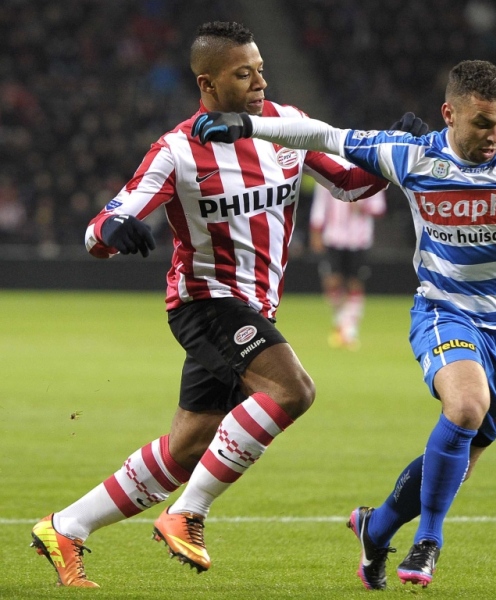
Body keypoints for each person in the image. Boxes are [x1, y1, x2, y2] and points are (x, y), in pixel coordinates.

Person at [192, 59, 496, 589]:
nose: (495, 135)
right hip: (445, 312)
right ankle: (429, 541)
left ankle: (377, 527)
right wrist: (247, 125)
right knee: (465, 407)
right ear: (449, 114)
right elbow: (324, 136)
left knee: (462, 453)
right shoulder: (413, 155)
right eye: (482, 123)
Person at [29, 21, 424, 588]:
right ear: (207, 84)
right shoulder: (176, 150)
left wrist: (392, 153)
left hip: (255, 308)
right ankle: (187, 513)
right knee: (293, 389)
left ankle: (66, 526)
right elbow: (99, 228)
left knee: (187, 448)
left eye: (261, 69)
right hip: (205, 302)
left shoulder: (285, 125)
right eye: (244, 74)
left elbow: (351, 184)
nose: (260, 81)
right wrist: (116, 229)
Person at [309, 181, 387, 349]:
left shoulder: (370, 173)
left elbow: (379, 207)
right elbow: (319, 205)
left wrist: (363, 207)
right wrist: (316, 231)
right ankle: (340, 322)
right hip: (333, 237)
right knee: (332, 282)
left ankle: (349, 329)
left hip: (359, 239)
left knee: (354, 282)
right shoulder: (328, 173)